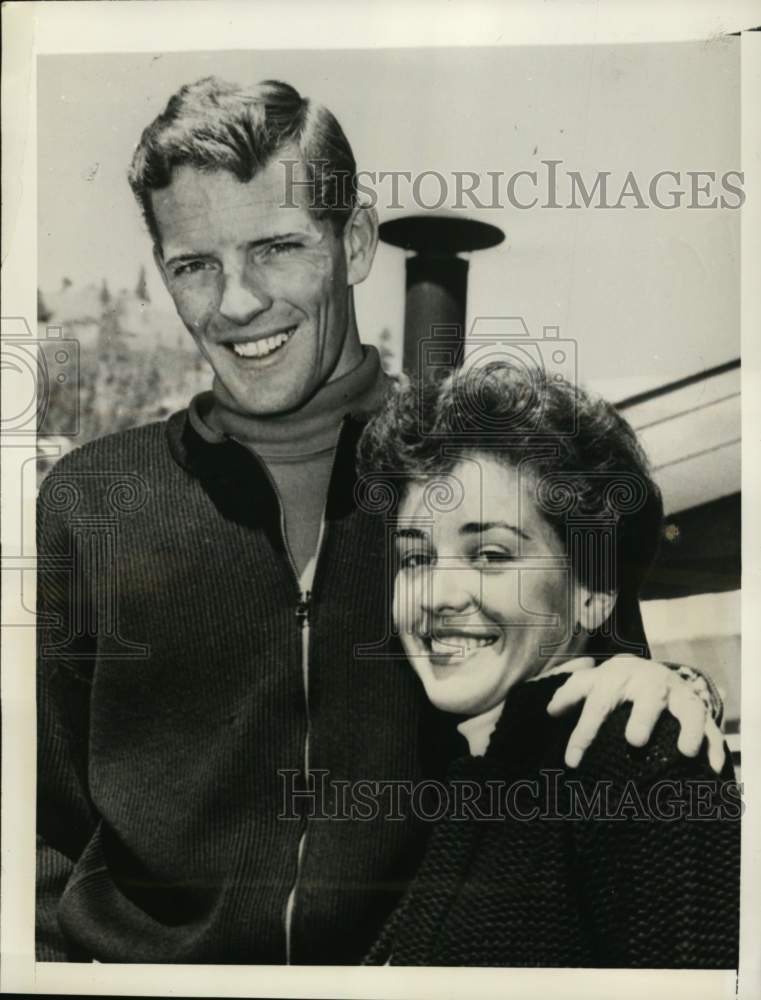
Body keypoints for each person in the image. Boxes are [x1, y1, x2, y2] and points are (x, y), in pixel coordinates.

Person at [36, 76, 724, 965]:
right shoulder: (92, 502)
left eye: (277, 247)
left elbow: (586, 670)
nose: (236, 302)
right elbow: (35, 830)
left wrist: (670, 685)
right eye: (193, 264)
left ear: (354, 241)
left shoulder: (457, 475)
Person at [359, 363, 740, 967]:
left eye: (489, 554)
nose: (437, 595)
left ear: (593, 592)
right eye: (416, 558)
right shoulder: (470, 772)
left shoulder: (638, 764)